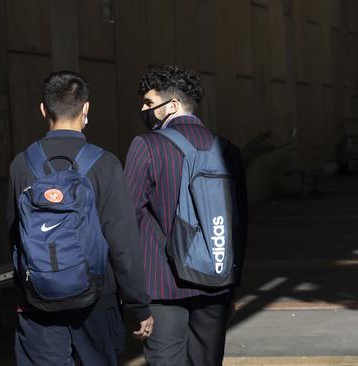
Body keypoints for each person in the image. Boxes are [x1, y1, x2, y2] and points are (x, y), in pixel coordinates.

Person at [6, 71, 153, 365]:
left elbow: (13, 235)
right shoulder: (105, 163)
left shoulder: (21, 164)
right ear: (86, 109)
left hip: (38, 301)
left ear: (43, 109)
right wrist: (139, 305)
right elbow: (122, 241)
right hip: (98, 299)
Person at [124, 65, 248, 366]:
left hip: (161, 286)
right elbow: (239, 224)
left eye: (149, 103)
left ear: (173, 105)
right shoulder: (228, 150)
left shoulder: (147, 146)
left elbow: (126, 218)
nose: (143, 109)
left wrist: (131, 293)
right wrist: (232, 284)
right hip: (216, 280)